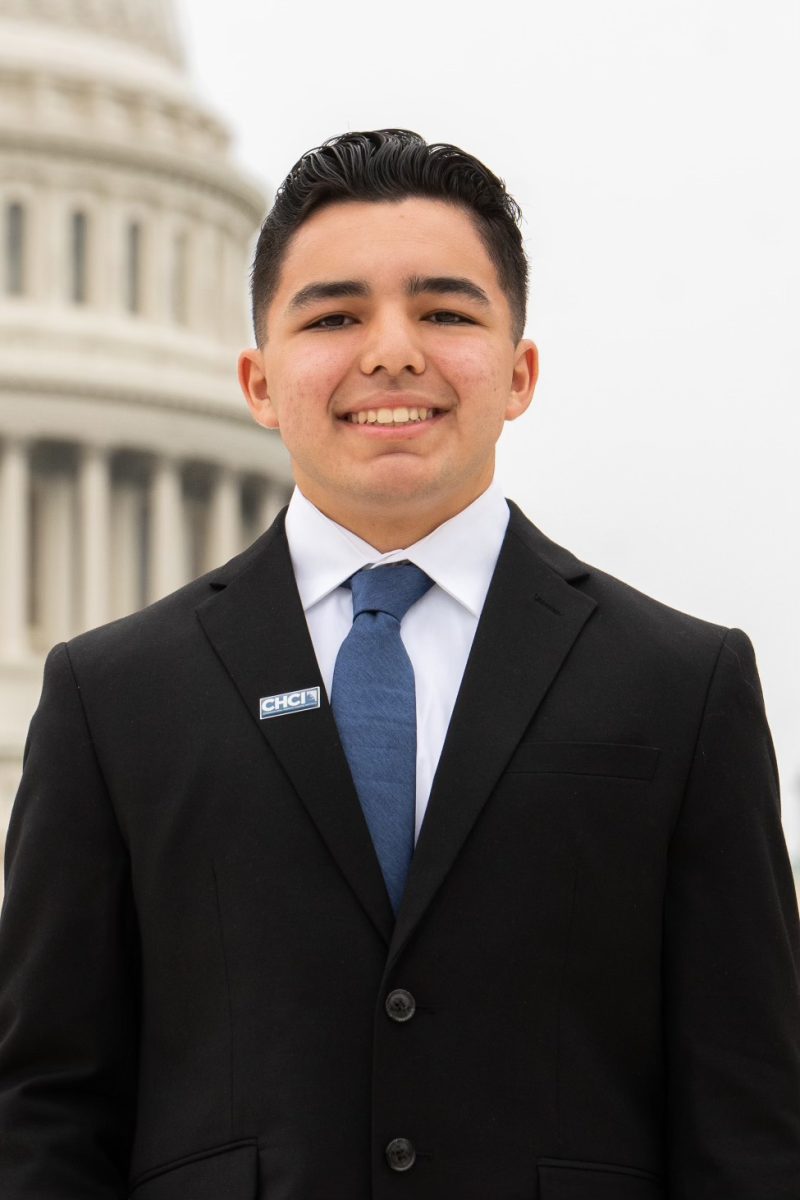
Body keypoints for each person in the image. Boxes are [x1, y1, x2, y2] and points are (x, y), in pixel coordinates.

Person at [0, 129, 798, 1199]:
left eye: (444, 312)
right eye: (333, 316)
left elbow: (747, 1117)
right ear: (257, 379)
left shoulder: (679, 684)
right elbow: (48, 1112)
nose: (390, 352)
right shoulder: (114, 699)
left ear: (516, 372)